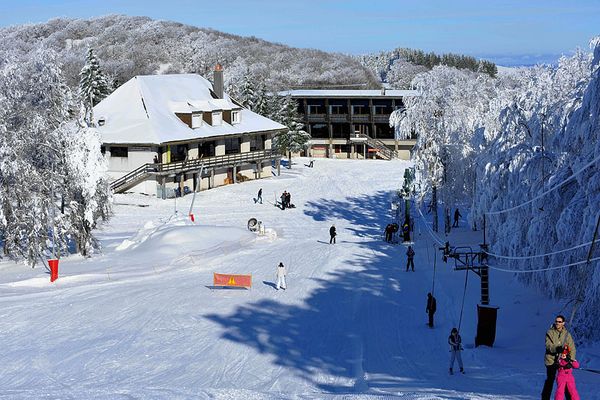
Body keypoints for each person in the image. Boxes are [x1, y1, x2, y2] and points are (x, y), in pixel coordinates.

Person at [542, 315, 576, 400]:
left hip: (563, 362)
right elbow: (548, 345)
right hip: (551, 361)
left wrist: (570, 361)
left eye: (559, 322)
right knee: (550, 380)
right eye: (556, 321)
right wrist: (557, 348)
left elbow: (572, 348)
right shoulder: (550, 332)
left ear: (563, 323)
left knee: (564, 382)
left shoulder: (567, 334)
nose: (557, 323)